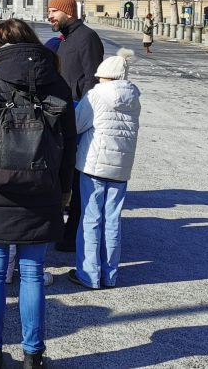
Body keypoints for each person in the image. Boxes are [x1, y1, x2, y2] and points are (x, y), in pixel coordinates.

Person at [0, 19, 77, 369]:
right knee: (32, 272)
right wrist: (65, 190)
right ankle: (32, 355)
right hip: (42, 187)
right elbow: (68, 145)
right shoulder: (56, 82)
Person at [69, 49, 141, 290]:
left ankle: (89, 274)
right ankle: (110, 275)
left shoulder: (96, 95)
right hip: (121, 168)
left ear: (105, 76)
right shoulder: (134, 98)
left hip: (95, 164)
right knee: (113, 220)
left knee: (90, 219)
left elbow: (77, 125)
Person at [48, 0, 104, 253]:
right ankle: (61, 230)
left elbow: (93, 79)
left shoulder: (87, 37)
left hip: (78, 115)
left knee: (78, 177)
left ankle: (72, 235)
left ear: (68, 12)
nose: (50, 16)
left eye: (53, 11)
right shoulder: (67, 38)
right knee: (64, 175)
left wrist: (83, 114)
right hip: (65, 114)